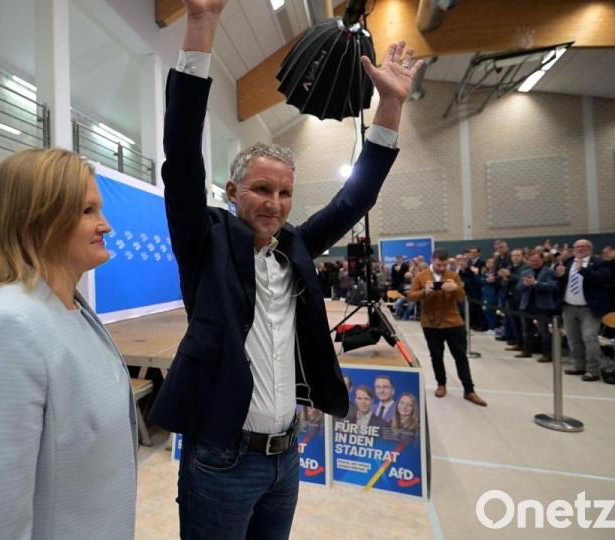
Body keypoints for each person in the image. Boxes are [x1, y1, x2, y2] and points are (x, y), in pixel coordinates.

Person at [148, 1, 424, 537]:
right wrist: (201, 23)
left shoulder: (295, 246)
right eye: (261, 189)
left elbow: (354, 199)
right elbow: (181, 153)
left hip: (286, 458)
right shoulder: (204, 241)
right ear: (233, 192)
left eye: (284, 193)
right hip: (220, 460)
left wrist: (390, 106)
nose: (274, 204)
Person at [0, 149, 137, 540]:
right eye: (88, 211)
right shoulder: (7, 327)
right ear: (40, 219)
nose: (106, 225)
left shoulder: (71, 310)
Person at [408, 249, 487, 406]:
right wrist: (424, 291)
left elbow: (462, 297)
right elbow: (411, 296)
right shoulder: (421, 276)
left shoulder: (453, 276)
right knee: (436, 356)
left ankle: (469, 390)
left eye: (445, 265)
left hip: (453, 322)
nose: (442, 268)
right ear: (432, 260)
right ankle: (441, 384)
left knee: (461, 357)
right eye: (439, 265)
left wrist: (456, 288)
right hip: (431, 323)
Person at [555, 239, 615, 383]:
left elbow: (603, 278)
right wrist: (559, 275)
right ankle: (579, 366)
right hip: (569, 307)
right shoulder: (568, 262)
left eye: (584, 246)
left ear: (590, 248)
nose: (580, 249)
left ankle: (593, 370)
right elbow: (561, 283)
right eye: (577, 246)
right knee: (573, 338)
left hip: (589, 309)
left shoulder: (600, 262)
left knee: (589, 338)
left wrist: (583, 270)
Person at [517, 252, 559, 363]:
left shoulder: (549, 271)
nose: (534, 263)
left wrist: (535, 283)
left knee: (543, 330)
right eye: (532, 261)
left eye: (536, 261)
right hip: (526, 304)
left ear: (542, 260)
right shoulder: (525, 272)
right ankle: (527, 351)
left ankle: (547, 354)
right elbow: (519, 288)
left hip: (542, 305)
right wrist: (524, 285)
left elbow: (552, 286)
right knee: (526, 329)